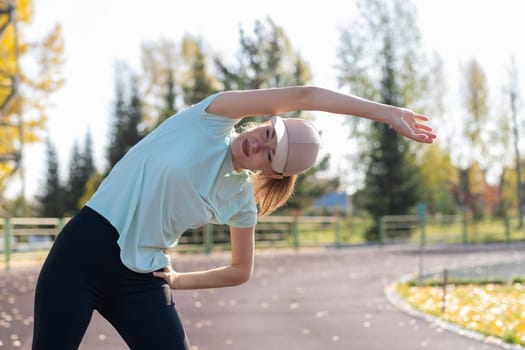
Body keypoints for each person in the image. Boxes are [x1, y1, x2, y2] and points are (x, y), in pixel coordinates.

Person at [32, 86, 436, 349]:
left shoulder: (241, 200)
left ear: (273, 173)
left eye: (268, 154)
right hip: (81, 256)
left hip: (141, 278)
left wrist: (179, 281)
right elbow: (309, 94)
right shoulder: (210, 118)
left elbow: (241, 270)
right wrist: (387, 113)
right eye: (266, 133)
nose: (256, 144)